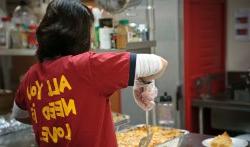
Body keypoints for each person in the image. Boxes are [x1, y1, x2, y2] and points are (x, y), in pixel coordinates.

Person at [11, 0, 168, 146]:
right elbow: (159, 63)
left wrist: (53, 117)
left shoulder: (31, 75)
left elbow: (19, 114)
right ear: (81, 35)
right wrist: (143, 82)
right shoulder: (88, 66)